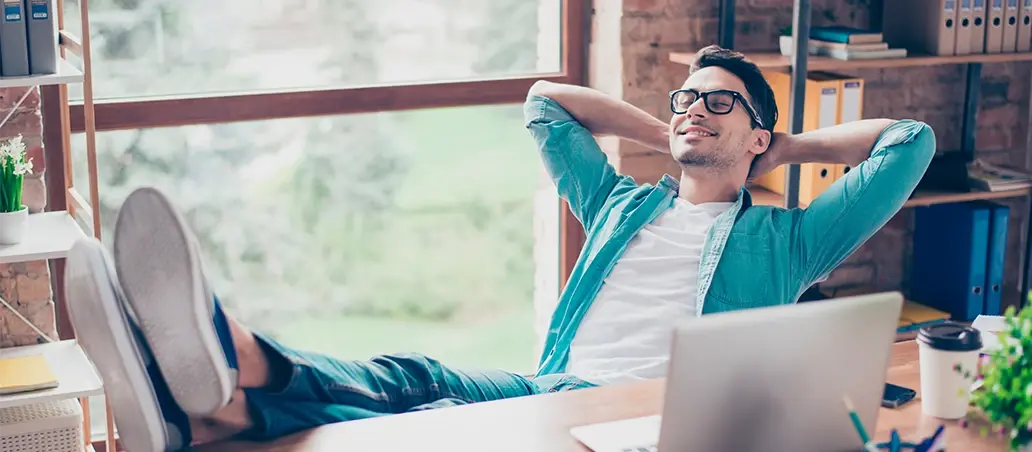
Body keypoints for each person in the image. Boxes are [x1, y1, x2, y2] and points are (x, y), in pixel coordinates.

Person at [65, 45, 934, 451]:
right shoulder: (621, 204)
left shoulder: (786, 240)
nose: (693, 110)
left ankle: (211, 398)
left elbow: (912, 143)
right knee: (415, 378)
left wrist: (784, 151)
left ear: (758, 139)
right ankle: (220, 383)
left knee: (435, 427)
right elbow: (543, 102)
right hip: (547, 380)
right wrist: (665, 131)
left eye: (719, 105)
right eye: (685, 98)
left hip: (627, 416)